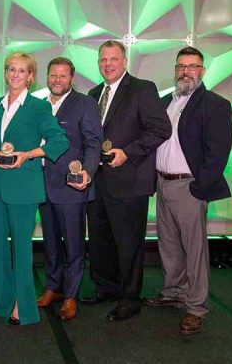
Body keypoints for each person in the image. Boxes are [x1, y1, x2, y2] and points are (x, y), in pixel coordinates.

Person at [145, 47, 232, 335]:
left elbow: (218, 153)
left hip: (189, 187)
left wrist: (199, 187)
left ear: (202, 71)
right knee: (168, 245)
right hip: (162, 183)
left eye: (192, 66)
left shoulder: (215, 104)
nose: (186, 71)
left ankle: (196, 307)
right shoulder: (164, 102)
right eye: (181, 66)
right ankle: (174, 292)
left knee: (194, 251)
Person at [84, 40, 171, 321]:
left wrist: (128, 153)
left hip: (129, 180)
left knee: (128, 244)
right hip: (97, 181)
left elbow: (161, 129)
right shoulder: (93, 93)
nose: (108, 64)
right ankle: (106, 288)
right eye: (103, 60)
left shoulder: (143, 89)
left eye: (113, 59)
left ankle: (130, 298)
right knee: (100, 240)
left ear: (124, 61)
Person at [0, 52, 69, 326]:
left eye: (22, 71)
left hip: (24, 188)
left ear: (30, 77)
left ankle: (23, 304)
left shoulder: (38, 107)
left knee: (21, 250)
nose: (15, 75)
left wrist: (28, 154)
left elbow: (59, 141)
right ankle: (1, 302)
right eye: (11, 69)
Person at [37, 57, 103, 320]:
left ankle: (72, 295)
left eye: (63, 76)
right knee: (50, 242)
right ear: (47, 76)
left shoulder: (85, 104)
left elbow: (93, 142)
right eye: (53, 75)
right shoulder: (39, 106)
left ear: (72, 78)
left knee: (74, 245)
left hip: (71, 187)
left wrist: (86, 171)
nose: (57, 80)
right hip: (42, 186)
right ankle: (53, 287)